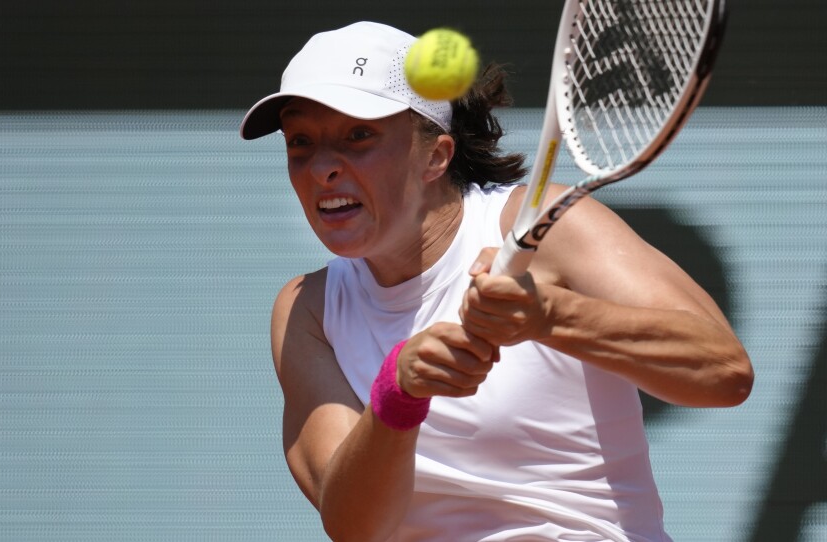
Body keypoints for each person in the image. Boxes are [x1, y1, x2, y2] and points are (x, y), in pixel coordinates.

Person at [240, 21, 753, 542]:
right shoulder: (307, 309)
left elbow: (723, 369)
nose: (322, 166)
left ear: (435, 155)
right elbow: (355, 527)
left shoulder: (545, 225)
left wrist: (550, 317)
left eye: (358, 135)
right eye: (300, 141)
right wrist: (399, 391)